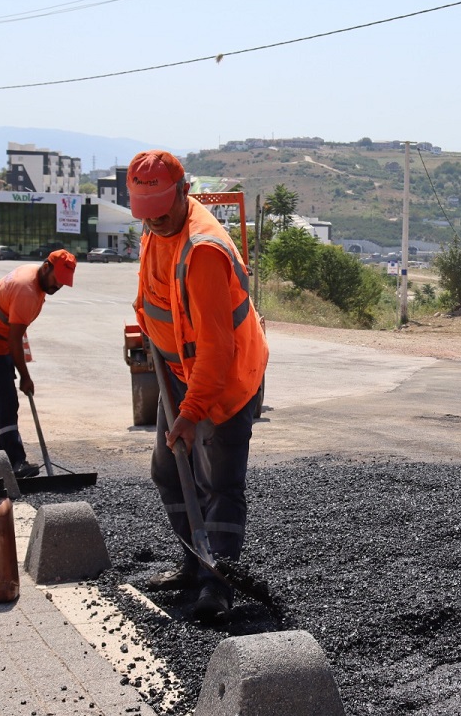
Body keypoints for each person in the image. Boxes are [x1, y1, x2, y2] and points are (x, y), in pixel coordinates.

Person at [129, 150, 269, 623]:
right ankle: (193, 559)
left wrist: (190, 415)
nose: (154, 224)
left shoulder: (203, 249)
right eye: (145, 216)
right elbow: (152, 294)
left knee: (218, 484)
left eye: (161, 214)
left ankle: (219, 583)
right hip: (179, 373)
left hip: (224, 378)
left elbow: (216, 351)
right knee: (168, 472)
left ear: (184, 192)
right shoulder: (155, 228)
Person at [0, 249, 77, 478]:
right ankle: (16, 463)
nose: (59, 286)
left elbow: (15, 336)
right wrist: (25, 376)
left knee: (1, 396)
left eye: (64, 283)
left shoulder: (35, 279)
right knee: (6, 399)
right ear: (46, 267)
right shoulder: (26, 289)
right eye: (57, 280)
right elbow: (15, 339)